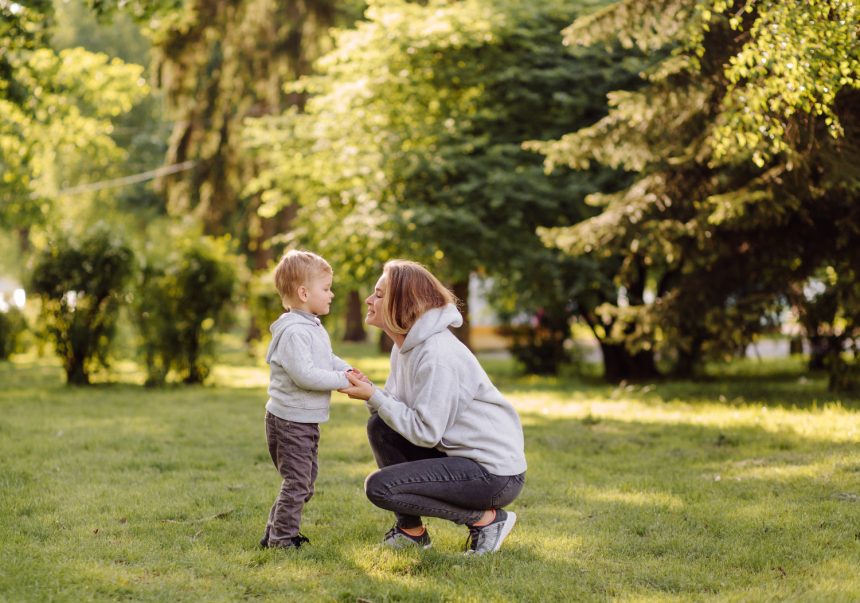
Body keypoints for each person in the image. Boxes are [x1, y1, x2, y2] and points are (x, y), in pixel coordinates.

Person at [340, 260, 527, 555]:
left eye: (378, 294)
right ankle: (411, 532)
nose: (369, 300)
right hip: (456, 455)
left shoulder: (437, 354)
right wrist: (372, 393)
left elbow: (425, 431)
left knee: (380, 487)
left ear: (401, 302)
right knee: (380, 427)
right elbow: (394, 413)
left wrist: (374, 397)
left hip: (494, 474)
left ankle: (486, 520)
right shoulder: (404, 347)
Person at [260, 250, 364, 549]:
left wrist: (346, 369)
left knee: (303, 483)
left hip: (304, 420)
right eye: (327, 288)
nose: (331, 295)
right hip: (290, 422)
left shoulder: (311, 326)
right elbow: (304, 375)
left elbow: (325, 358)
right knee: (298, 484)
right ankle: (282, 540)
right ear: (304, 293)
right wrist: (342, 382)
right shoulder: (294, 331)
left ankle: (273, 534)